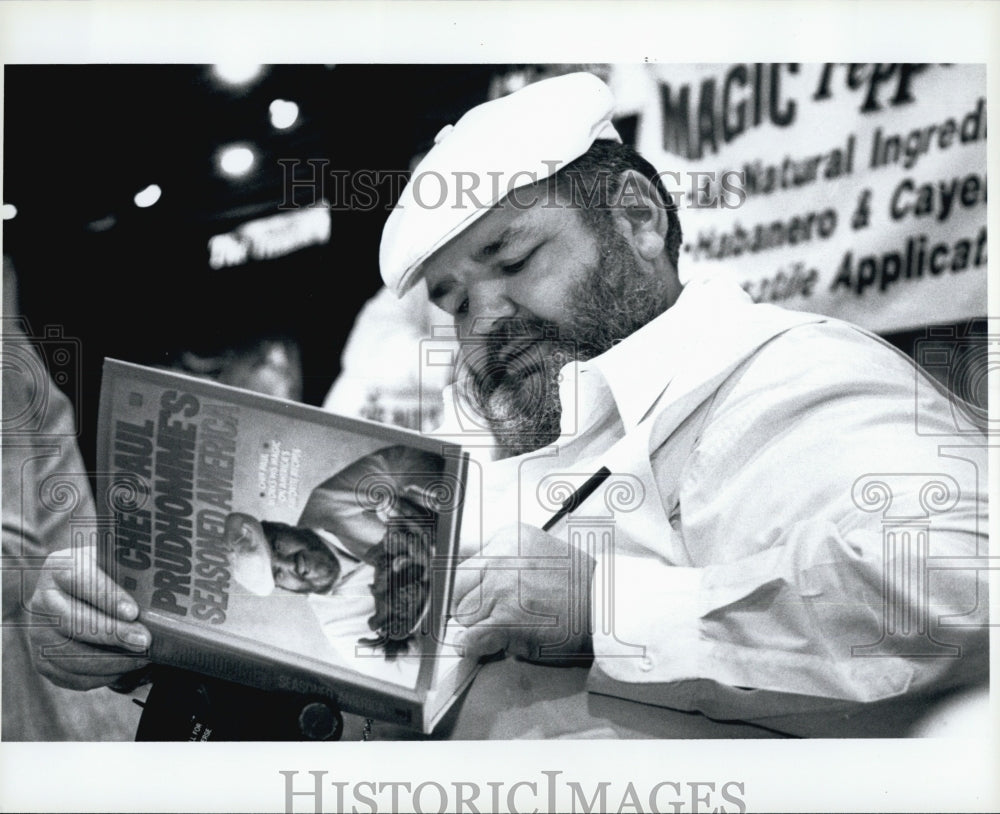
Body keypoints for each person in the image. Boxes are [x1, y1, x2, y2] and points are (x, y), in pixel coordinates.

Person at [28, 73, 988, 735]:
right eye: (452, 300)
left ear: (640, 220)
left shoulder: (782, 380)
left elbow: (963, 584)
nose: (485, 319)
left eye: (516, 260)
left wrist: (602, 608)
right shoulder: (489, 448)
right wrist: (130, 632)